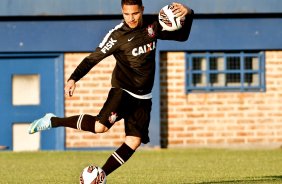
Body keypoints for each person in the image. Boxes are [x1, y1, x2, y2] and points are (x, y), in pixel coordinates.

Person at [28, 0, 193, 177]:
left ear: (142, 10)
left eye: (135, 13)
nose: (131, 18)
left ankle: (101, 174)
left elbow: (182, 36)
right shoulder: (116, 36)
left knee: (133, 141)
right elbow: (92, 58)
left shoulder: (155, 23)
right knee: (100, 127)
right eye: (126, 14)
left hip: (144, 96)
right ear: (122, 12)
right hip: (123, 90)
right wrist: (73, 78)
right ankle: (53, 121)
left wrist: (188, 13)